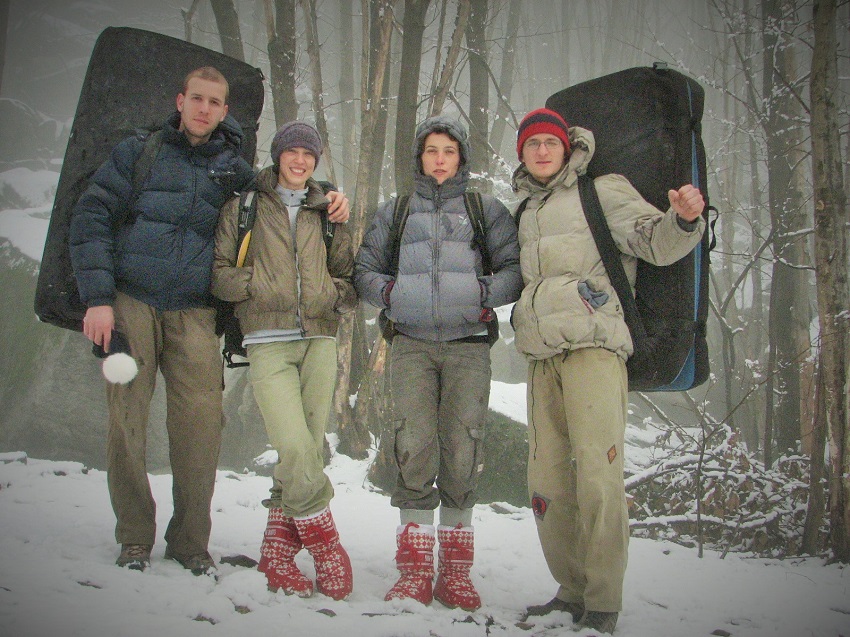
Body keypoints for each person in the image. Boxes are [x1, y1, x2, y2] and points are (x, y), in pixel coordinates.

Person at [68, 67, 349, 577]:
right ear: (180, 101)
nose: (203, 108)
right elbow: (92, 215)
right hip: (131, 300)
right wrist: (97, 298)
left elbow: (280, 191)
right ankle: (134, 538)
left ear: (224, 111)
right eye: (196, 98)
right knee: (126, 421)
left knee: (200, 427)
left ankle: (190, 542)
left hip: (195, 312)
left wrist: (328, 195)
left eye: (214, 101)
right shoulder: (141, 151)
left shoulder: (231, 170)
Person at [510, 108, 706, 633]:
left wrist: (685, 218)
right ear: (522, 155)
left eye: (551, 142)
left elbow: (656, 242)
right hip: (542, 355)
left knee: (598, 474)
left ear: (568, 146)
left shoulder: (602, 191)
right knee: (547, 480)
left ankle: (602, 601)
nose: (543, 152)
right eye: (533, 145)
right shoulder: (525, 208)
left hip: (595, 349)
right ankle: (570, 589)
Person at [355, 116, 523, 611]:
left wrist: (482, 295)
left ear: (461, 158)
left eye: (449, 150)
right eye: (432, 150)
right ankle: (412, 569)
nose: (440, 158)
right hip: (410, 345)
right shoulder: (397, 210)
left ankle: (455, 572)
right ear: (419, 157)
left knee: (462, 445)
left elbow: (515, 268)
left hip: (469, 345)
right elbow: (364, 269)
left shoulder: (483, 208)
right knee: (414, 443)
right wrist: (390, 294)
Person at [211, 121, 356, 600]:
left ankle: (276, 547)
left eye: (308, 154)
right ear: (278, 156)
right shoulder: (245, 206)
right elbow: (219, 275)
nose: (300, 161)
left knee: (309, 448)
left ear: (317, 161)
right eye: (291, 152)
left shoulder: (329, 211)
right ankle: (325, 541)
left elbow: (348, 279)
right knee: (293, 445)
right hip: (267, 340)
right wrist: (257, 287)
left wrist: (328, 295)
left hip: (319, 339)